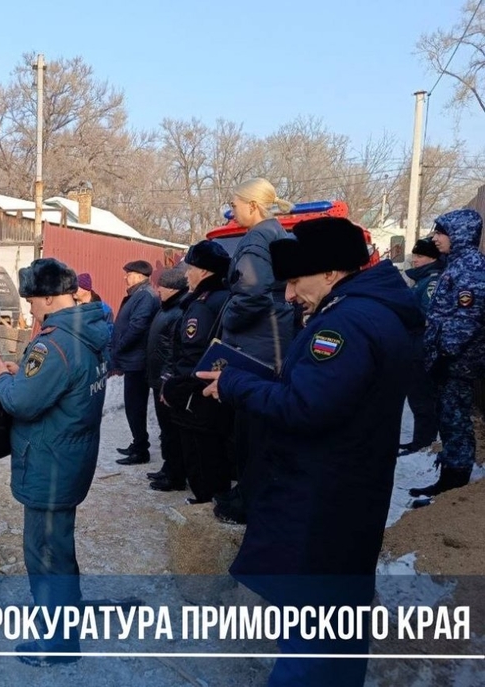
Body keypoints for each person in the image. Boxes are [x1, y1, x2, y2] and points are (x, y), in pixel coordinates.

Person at [198, 218, 421, 687]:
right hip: (347, 495)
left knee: (311, 639)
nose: (289, 294)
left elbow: (305, 406)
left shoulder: (343, 324)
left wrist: (236, 383)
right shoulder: (371, 311)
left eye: (296, 280)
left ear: (330, 272)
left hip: (322, 502)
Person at [0, 257, 109, 667]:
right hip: (71, 457)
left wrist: (3, 379)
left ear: (51, 298)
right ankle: (64, 620)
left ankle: (57, 644)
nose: (31, 309)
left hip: (49, 465)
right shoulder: (89, 330)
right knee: (58, 548)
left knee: (46, 554)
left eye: (33, 301)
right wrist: (23, 373)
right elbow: (62, 384)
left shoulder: (52, 344)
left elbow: (22, 402)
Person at [216, 178, 297, 524]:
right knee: (266, 423)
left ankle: (248, 500)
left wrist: (227, 319)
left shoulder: (255, 240)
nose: (231, 211)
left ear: (252, 205)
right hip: (278, 337)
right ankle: (253, 493)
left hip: (257, 341)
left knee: (250, 426)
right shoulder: (281, 234)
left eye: (234, 205)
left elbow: (251, 292)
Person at [411, 209, 485, 498]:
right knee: (448, 416)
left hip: (458, 362)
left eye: (441, 233)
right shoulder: (457, 264)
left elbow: (467, 319)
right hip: (450, 360)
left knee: (455, 418)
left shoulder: (470, 268)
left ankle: (455, 480)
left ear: (459, 235)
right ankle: (451, 474)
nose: (435, 238)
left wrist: (445, 356)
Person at [157, 242, 232, 503]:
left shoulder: (203, 304)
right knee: (215, 453)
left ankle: (205, 501)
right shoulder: (224, 296)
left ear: (204, 271)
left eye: (191, 268)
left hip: (196, 396)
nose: (187, 274)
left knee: (200, 455)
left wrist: (175, 387)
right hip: (212, 391)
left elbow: (192, 352)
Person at [109, 260, 160, 465]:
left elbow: (137, 327)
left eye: (128, 274)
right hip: (132, 359)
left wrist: (120, 346)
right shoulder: (139, 294)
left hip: (137, 361)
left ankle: (140, 450)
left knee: (135, 406)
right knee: (133, 406)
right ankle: (138, 442)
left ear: (139, 276)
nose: (125, 277)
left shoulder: (145, 296)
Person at [144, 267, 190, 488]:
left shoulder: (179, 311)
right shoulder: (166, 308)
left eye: (161, 286)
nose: (158, 289)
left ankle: (175, 476)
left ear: (173, 288)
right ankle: (168, 467)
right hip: (158, 378)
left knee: (172, 430)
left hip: (166, 380)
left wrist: (166, 379)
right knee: (166, 429)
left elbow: (174, 350)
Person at [398, 238, 444, 455]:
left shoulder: (432, 281)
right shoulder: (422, 279)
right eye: (415, 255)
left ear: (432, 258)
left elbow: (428, 315)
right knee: (417, 396)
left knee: (422, 397)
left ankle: (423, 442)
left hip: (422, 345)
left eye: (420, 256)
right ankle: (420, 439)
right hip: (416, 344)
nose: (414, 260)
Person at [75, 272, 114, 338]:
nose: (72, 291)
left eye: (76, 288)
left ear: (85, 289)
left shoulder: (104, 309)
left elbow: (109, 333)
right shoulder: (70, 306)